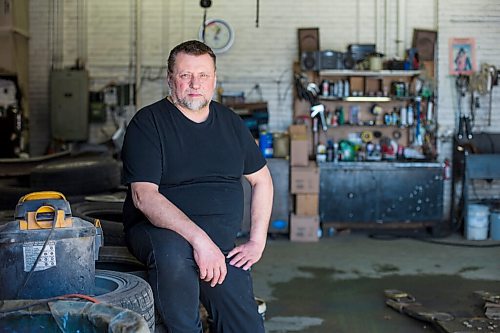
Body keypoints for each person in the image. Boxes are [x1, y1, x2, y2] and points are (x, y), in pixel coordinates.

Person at [121, 40, 274, 333]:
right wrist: (200, 240)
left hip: (220, 245)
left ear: (214, 79)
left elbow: (262, 179)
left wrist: (257, 240)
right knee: (174, 256)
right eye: (184, 75)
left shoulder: (231, 122)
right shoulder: (148, 123)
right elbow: (143, 196)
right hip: (162, 234)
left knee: (246, 326)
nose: (195, 84)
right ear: (170, 79)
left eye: (203, 75)